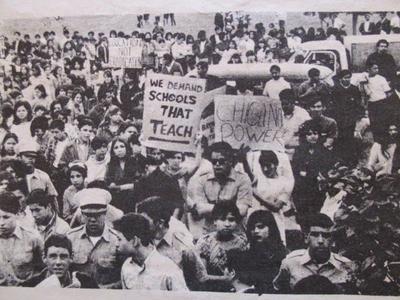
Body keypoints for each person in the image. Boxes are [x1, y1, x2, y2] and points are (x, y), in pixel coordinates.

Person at [273, 213, 356, 293]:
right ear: (306, 238)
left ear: (332, 240)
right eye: (315, 235)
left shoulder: (345, 265)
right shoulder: (290, 263)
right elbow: (280, 293)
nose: (320, 241)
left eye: (326, 236)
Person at [66, 188, 124, 288]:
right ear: (82, 214)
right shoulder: (71, 238)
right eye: (88, 215)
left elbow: (125, 277)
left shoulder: (117, 240)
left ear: (105, 214)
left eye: (97, 215)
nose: (93, 220)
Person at [113, 213, 188, 291]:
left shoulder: (169, 269)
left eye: (119, 239)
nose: (116, 244)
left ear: (135, 241)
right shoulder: (126, 267)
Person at [190, 142, 252, 233]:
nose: (217, 164)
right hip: (211, 233)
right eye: (214, 162)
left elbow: (242, 210)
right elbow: (199, 208)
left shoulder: (243, 179)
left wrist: (211, 208)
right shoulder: (202, 180)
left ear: (230, 161)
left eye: (221, 161)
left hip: (235, 234)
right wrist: (230, 208)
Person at [230, 210, 287, 294]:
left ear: (271, 228)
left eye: (260, 227)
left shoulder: (283, 254)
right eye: (252, 228)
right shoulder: (245, 256)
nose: (256, 231)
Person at [195, 201, 248, 292]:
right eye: (222, 219)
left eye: (231, 220)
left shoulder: (242, 243)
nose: (227, 224)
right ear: (215, 221)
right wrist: (223, 279)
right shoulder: (205, 242)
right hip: (211, 291)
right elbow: (201, 277)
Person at [21, 234, 98, 288]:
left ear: (71, 257)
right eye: (53, 256)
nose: (58, 262)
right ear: (44, 258)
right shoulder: (31, 285)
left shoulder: (87, 283)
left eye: (63, 256)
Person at [0, 191, 44, 286]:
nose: (1, 223)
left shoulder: (33, 237)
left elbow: (44, 268)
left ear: (17, 215)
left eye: (6, 217)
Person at [330, 70, 365, 165]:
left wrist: (357, 115)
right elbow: (332, 104)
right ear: (341, 78)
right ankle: (339, 159)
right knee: (340, 136)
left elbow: (358, 103)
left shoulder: (354, 89)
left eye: (349, 77)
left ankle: (350, 159)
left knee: (349, 137)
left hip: (350, 117)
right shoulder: (335, 89)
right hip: (339, 117)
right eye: (345, 77)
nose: (347, 79)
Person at [104, 137, 138, 213]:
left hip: (132, 198)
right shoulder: (110, 165)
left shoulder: (134, 162)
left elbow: (139, 182)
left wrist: (121, 187)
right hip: (116, 200)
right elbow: (108, 183)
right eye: (116, 148)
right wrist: (112, 184)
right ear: (113, 151)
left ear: (127, 147)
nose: (119, 150)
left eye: (122, 146)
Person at [361, 61, 392, 137]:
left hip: (382, 103)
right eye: (374, 68)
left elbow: (388, 93)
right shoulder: (364, 78)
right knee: (374, 124)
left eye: (377, 68)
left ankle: (385, 141)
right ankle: (377, 141)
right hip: (372, 105)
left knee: (383, 123)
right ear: (368, 69)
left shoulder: (381, 79)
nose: (377, 70)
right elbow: (364, 93)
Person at [279, 89, 311, 159]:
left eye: (286, 104)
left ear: (293, 102)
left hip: (297, 153)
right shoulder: (277, 114)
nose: (284, 107)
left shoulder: (302, 115)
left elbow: (309, 135)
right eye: (282, 104)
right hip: (280, 151)